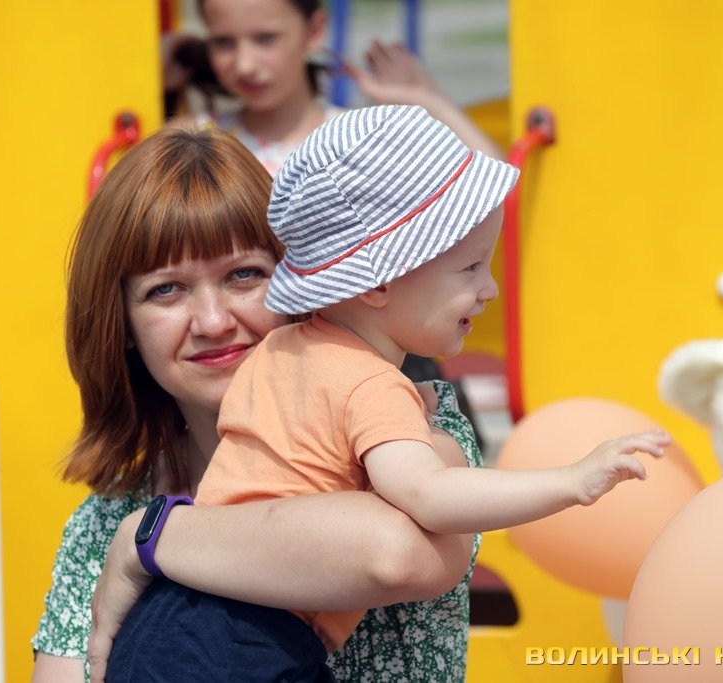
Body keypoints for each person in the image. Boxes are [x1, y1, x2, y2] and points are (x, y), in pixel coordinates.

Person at [98, 105, 672, 681]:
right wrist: (572, 481)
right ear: (377, 281)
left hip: (169, 616)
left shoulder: (279, 353)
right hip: (247, 641)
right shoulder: (370, 384)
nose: (489, 289)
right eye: (470, 267)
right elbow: (430, 495)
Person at [31, 125, 484, 683]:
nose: (213, 322)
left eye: (243, 275)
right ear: (121, 322)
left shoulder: (412, 425)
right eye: (166, 289)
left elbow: (394, 553)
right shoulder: (102, 523)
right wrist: (141, 533)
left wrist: (151, 539)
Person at [161, 0, 501, 177]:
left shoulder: (358, 139)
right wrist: (156, 75)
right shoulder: (197, 138)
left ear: (314, 31)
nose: (245, 64)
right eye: (223, 42)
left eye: (265, 38)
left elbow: (496, 187)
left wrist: (428, 101)